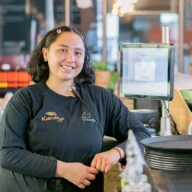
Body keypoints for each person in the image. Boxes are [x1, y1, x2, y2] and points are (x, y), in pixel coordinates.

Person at [0, 26, 151, 192]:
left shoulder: (100, 98)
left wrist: (116, 152)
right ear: (45, 54)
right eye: (62, 50)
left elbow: (142, 134)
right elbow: (8, 153)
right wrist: (63, 170)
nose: (71, 58)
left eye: (78, 53)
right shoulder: (26, 98)